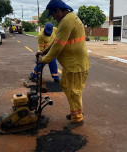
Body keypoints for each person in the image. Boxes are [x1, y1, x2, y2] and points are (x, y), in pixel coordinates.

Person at [36, 0, 90, 129]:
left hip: (76, 65)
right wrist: (44, 51)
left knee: (74, 91)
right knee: (65, 85)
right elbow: (56, 41)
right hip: (71, 65)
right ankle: (75, 111)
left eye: (53, 15)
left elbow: (58, 47)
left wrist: (44, 60)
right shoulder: (67, 20)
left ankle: (77, 118)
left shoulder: (67, 21)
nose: (53, 18)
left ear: (58, 11)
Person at [24, 23, 59, 88]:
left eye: (49, 32)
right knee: (40, 64)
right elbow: (41, 48)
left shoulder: (55, 30)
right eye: (47, 32)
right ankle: (33, 76)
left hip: (52, 51)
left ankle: (56, 78)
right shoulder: (40, 35)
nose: (48, 34)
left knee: (53, 63)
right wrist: (41, 56)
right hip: (44, 51)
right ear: (44, 29)